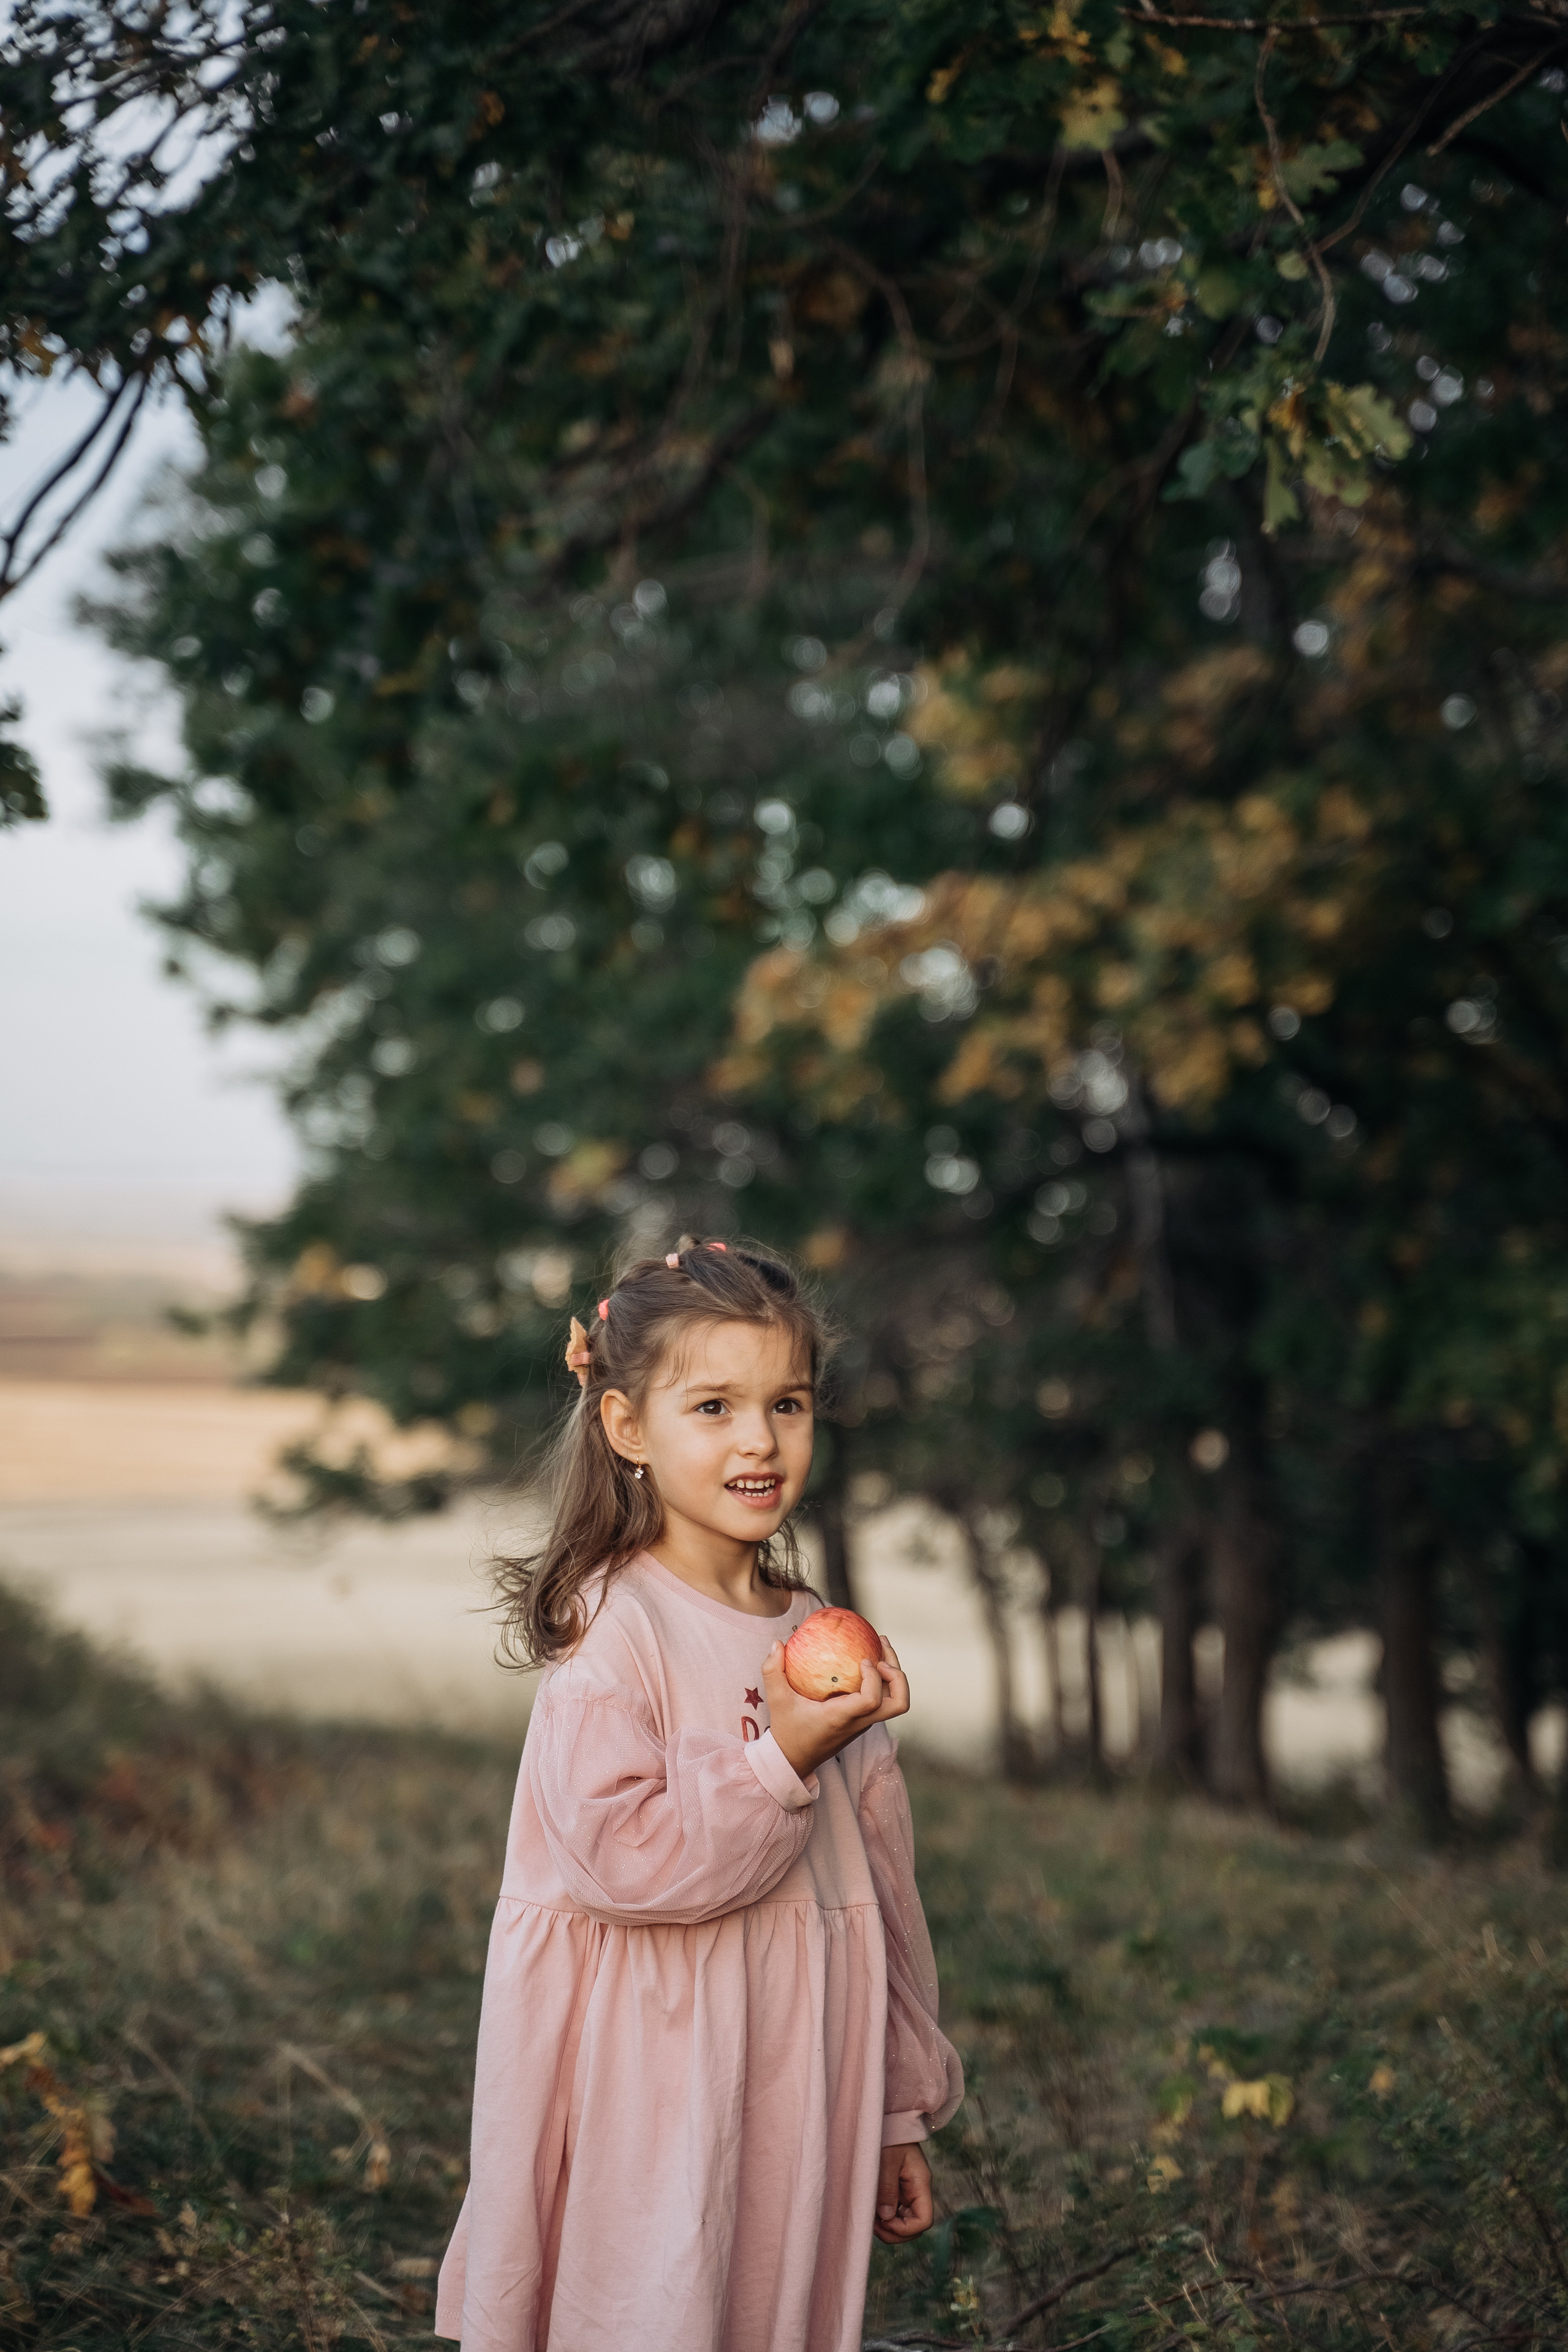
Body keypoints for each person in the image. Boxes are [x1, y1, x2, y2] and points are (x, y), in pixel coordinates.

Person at [435, 1237, 963, 2352]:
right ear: (628, 1427)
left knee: (767, 2312)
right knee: (655, 2309)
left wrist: (895, 2109)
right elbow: (626, 1864)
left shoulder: (817, 1623)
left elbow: (882, 1887)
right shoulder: (613, 1629)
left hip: (800, 2068)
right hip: (659, 2075)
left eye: (790, 1403)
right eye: (714, 1406)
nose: (761, 1440)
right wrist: (782, 1756)